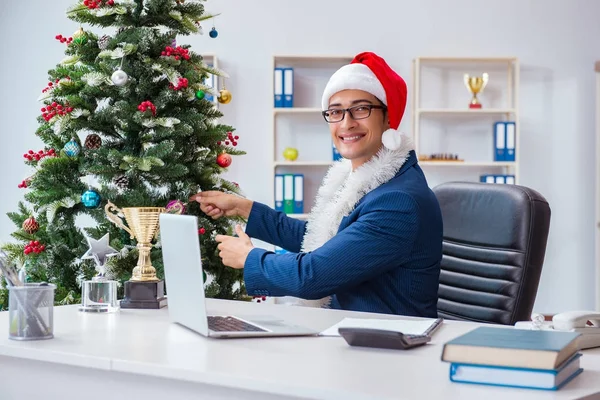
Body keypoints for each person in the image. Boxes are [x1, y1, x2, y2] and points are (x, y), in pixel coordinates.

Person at [189, 52, 443, 317]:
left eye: (360, 109)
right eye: (336, 112)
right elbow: (323, 241)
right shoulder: (374, 180)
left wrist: (249, 258)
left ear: (388, 117)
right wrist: (244, 208)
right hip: (351, 332)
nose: (346, 123)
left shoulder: (397, 201)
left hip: (384, 345)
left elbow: (313, 276)